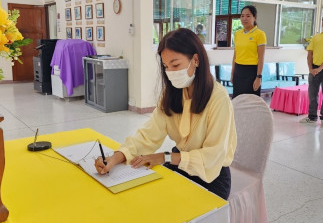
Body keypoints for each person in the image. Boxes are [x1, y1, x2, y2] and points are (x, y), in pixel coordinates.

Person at [95, 28, 237, 200]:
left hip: (212, 176)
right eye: (166, 67)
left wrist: (164, 157)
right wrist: (116, 157)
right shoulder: (172, 94)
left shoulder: (218, 98)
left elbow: (212, 157)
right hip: (180, 164)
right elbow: (148, 135)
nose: (170, 72)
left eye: (175, 65)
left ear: (196, 59)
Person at [231, 5, 266, 98]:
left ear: (255, 17)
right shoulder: (237, 34)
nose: (244, 19)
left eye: (248, 16)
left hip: (252, 72)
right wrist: (232, 74)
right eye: (242, 16)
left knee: (251, 101)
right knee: (237, 100)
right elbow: (235, 56)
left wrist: (258, 77)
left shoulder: (260, 34)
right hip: (238, 71)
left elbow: (261, 58)